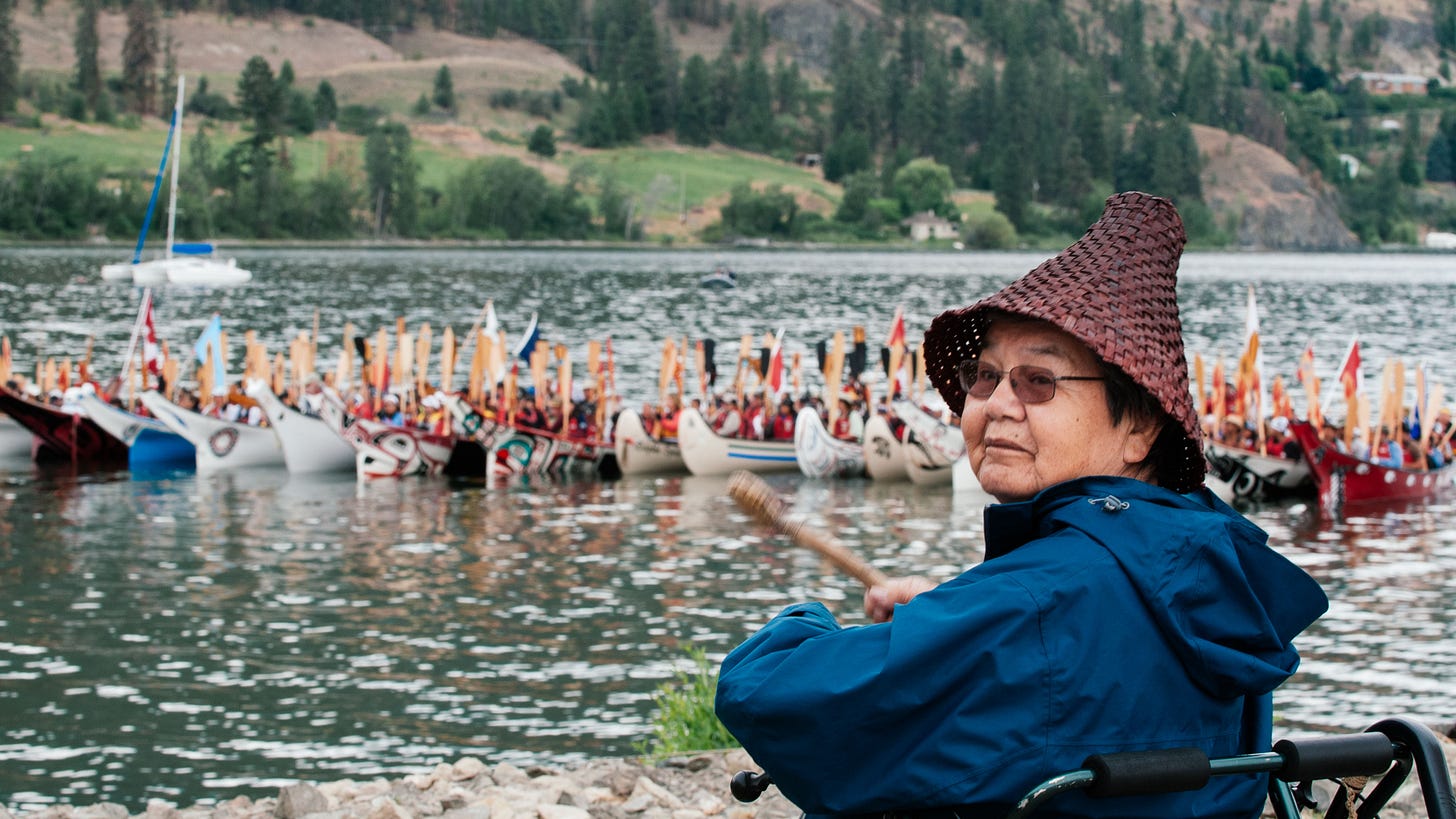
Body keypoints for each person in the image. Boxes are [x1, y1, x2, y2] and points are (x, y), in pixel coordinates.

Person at [715, 192, 1328, 819]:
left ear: (1140, 427)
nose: (997, 405)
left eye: (1040, 381)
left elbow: (766, 693)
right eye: (985, 377)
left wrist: (811, 624)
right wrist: (949, 619)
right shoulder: (1215, 576)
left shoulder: (1033, 608)